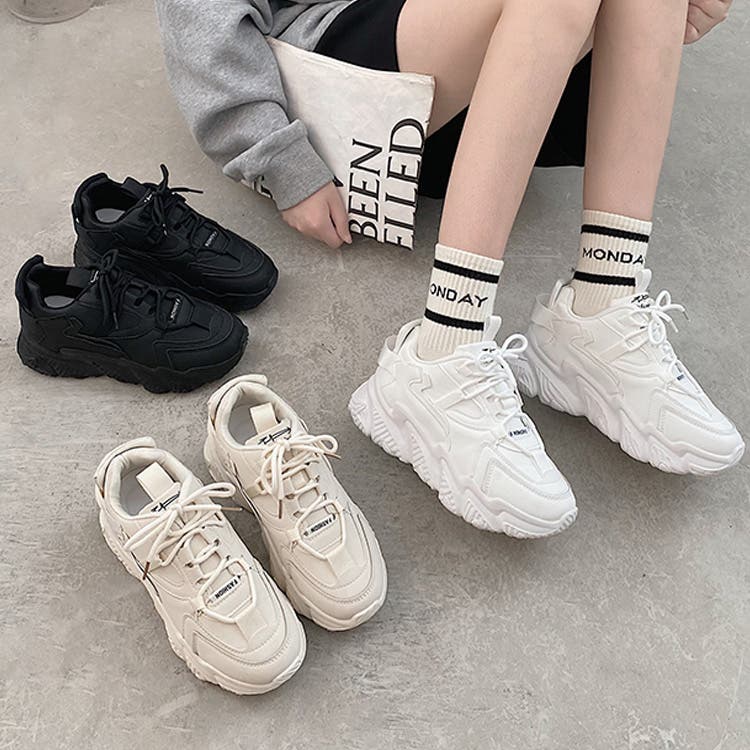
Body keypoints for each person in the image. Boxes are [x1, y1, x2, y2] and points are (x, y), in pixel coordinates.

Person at [157, 0, 744, 538]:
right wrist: (276, 155)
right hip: (339, 90)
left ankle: (601, 301)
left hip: (496, 76)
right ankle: (442, 351)